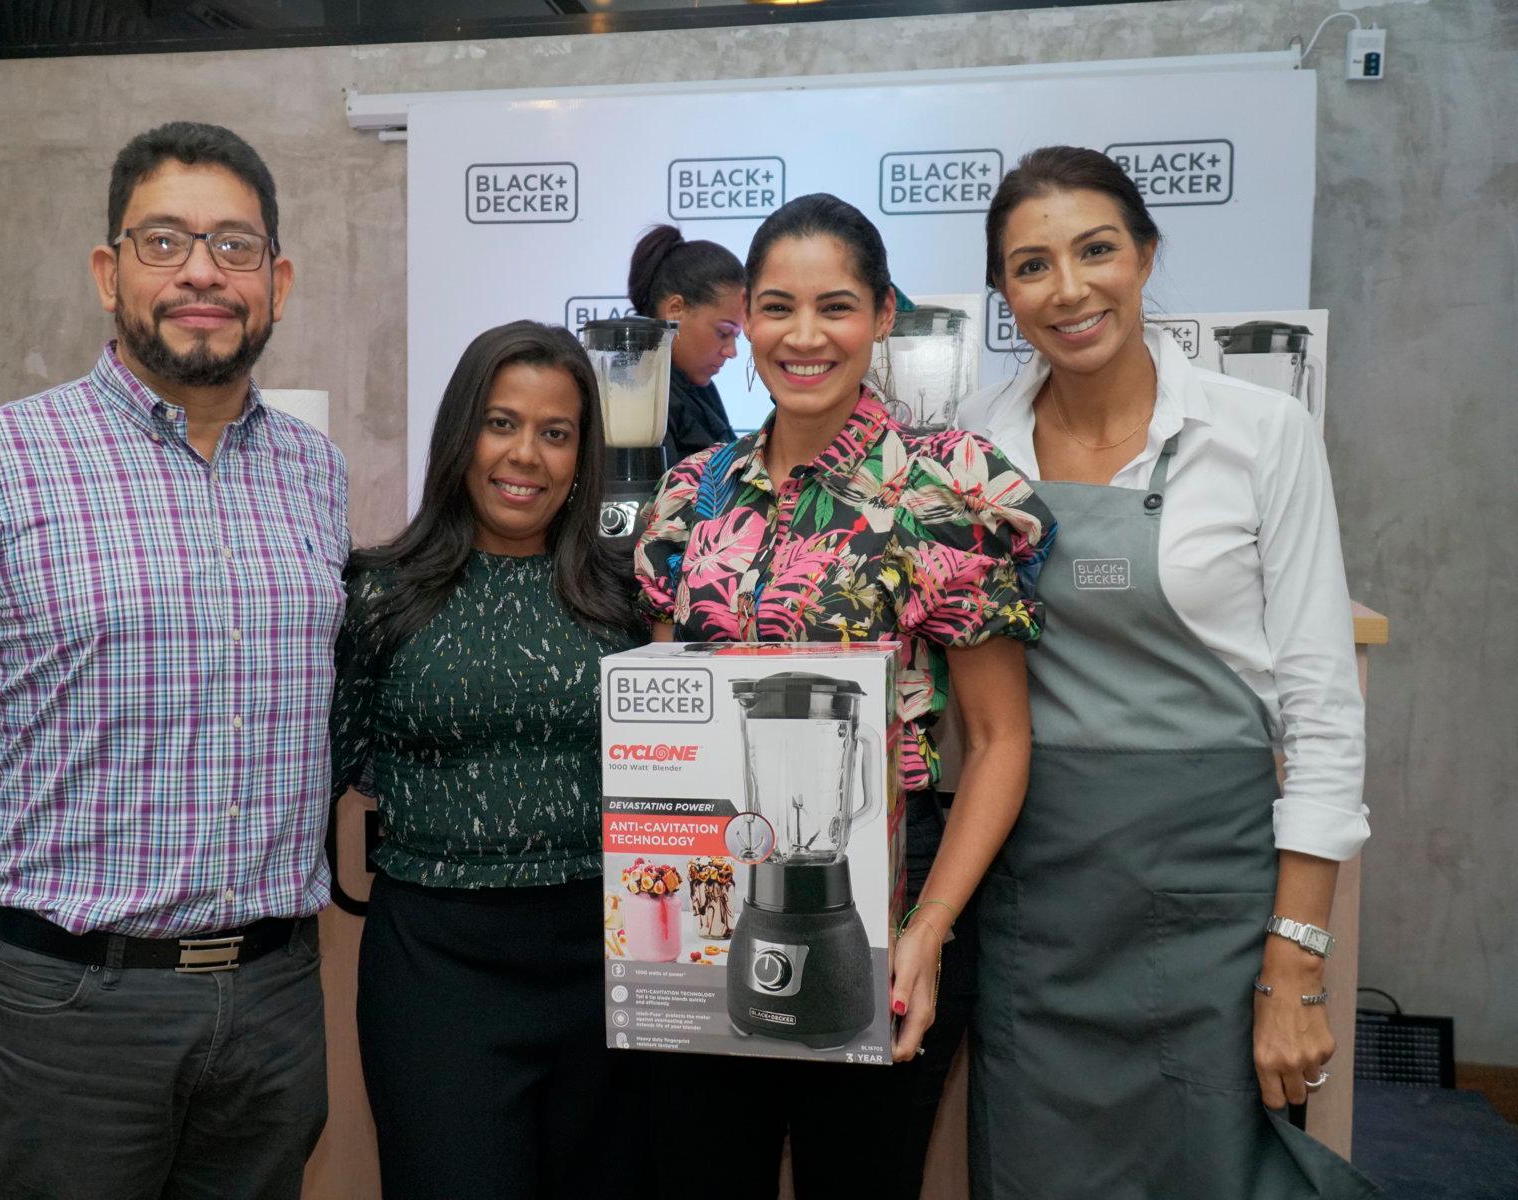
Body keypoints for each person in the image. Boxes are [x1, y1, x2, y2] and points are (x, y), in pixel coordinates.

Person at [0, 121, 345, 1199]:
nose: (202, 269)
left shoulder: (313, 473)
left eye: (235, 246)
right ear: (110, 272)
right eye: (165, 241)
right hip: (71, 1011)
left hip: (276, 1001)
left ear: (277, 283)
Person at [957, 146, 1377, 1199]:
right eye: (1031, 266)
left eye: (1096, 250)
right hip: (1042, 907)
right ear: (1005, 294)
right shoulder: (975, 451)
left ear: (1146, 255)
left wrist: (1296, 963)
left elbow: (1323, 716)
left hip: (1216, 912)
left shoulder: (1258, 436)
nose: (1069, 289)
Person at [632, 193, 1054, 1196]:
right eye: (776, 308)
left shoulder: (945, 487)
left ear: (884, 314)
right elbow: (663, 718)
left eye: (837, 307)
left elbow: (999, 740)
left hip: (890, 899)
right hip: (711, 896)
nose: (804, 336)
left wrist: (927, 929)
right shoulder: (693, 493)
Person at [333, 321, 645, 1200]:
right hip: (437, 971)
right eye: (501, 423)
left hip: (611, 963)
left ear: (583, 454)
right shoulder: (378, 591)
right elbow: (330, 761)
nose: (527, 457)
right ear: (460, 435)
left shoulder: (628, 596)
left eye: (556, 433)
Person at [626, 224, 746, 463]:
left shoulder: (696, 386)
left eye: (737, 336)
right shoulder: (638, 395)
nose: (732, 352)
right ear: (675, 310)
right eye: (723, 332)